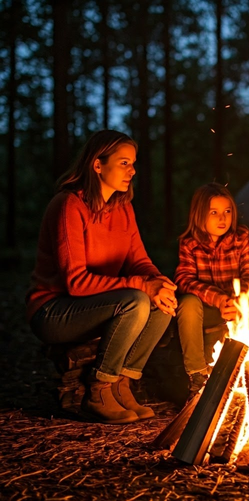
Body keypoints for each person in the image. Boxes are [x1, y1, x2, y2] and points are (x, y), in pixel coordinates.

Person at [26, 130, 177, 425]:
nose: (132, 170)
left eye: (133, 163)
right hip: (54, 311)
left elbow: (140, 261)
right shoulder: (69, 205)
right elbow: (76, 282)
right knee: (135, 300)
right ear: (97, 164)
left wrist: (159, 283)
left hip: (96, 305)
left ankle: (122, 383)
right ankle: (98, 391)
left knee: (161, 303)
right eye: (123, 163)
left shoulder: (123, 208)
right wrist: (142, 285)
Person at [174, 182, 249, 397]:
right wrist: (218, 298)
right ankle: (197, 377)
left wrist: (235, 300)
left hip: (237, 310)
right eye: (214, 212)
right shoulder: (190, 243)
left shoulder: (243, 237)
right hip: (206, 312)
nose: (222, 219)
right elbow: (184, 279)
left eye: (227, 212)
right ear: (199, 214)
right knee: (187, 303)